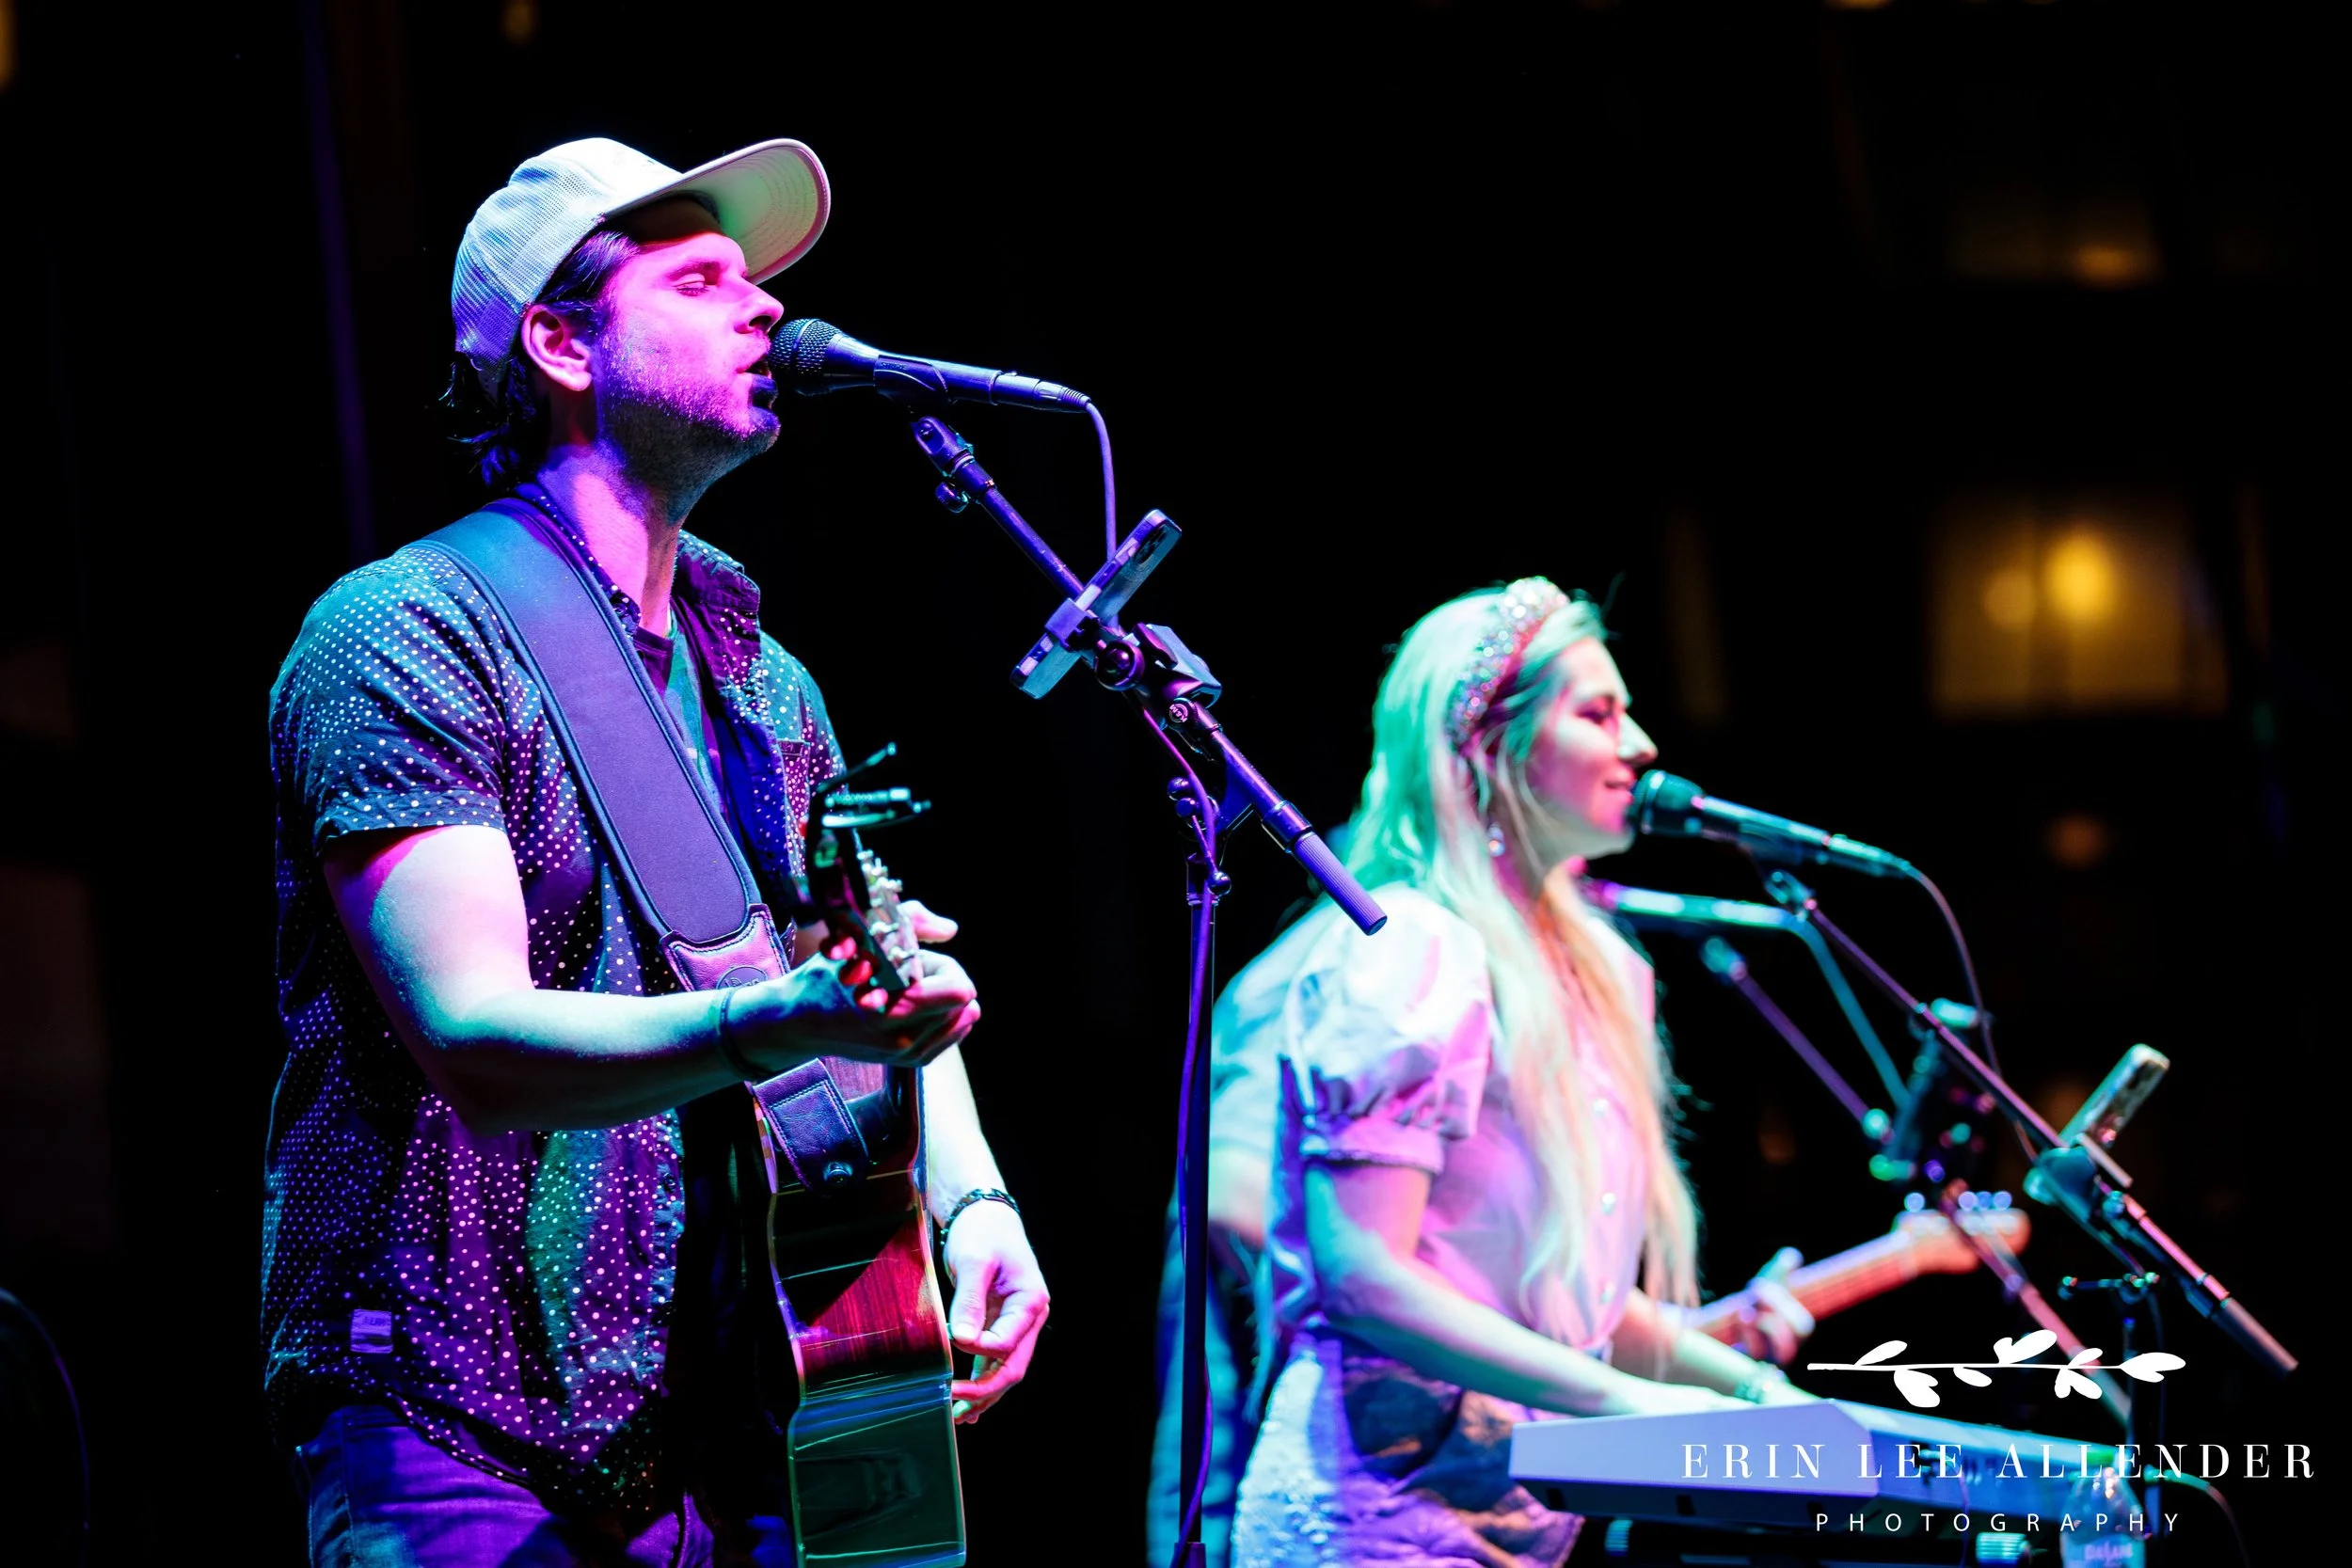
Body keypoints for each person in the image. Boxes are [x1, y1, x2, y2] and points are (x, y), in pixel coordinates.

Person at [263, 136, 1048, 1565]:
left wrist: (973, 1188)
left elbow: (865, 962)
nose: (761, 310)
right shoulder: (405, 631)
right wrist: (779, 1018)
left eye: (755, 283)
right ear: (561, 344)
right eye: (698, 281)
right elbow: (474, 1037)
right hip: (459, 1420)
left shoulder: (763, 677)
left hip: (733, 1418)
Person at [1217, 580, 1813, 1568]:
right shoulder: (1404, 952)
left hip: (1517, 1516)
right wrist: (1634, 1402)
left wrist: (1751, 1392)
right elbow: (1362, 1275)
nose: (1641, 745)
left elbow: (1556, 1293)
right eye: (1597, 713)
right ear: (1490, 746)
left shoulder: (1597, 970)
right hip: (1373, 1518)